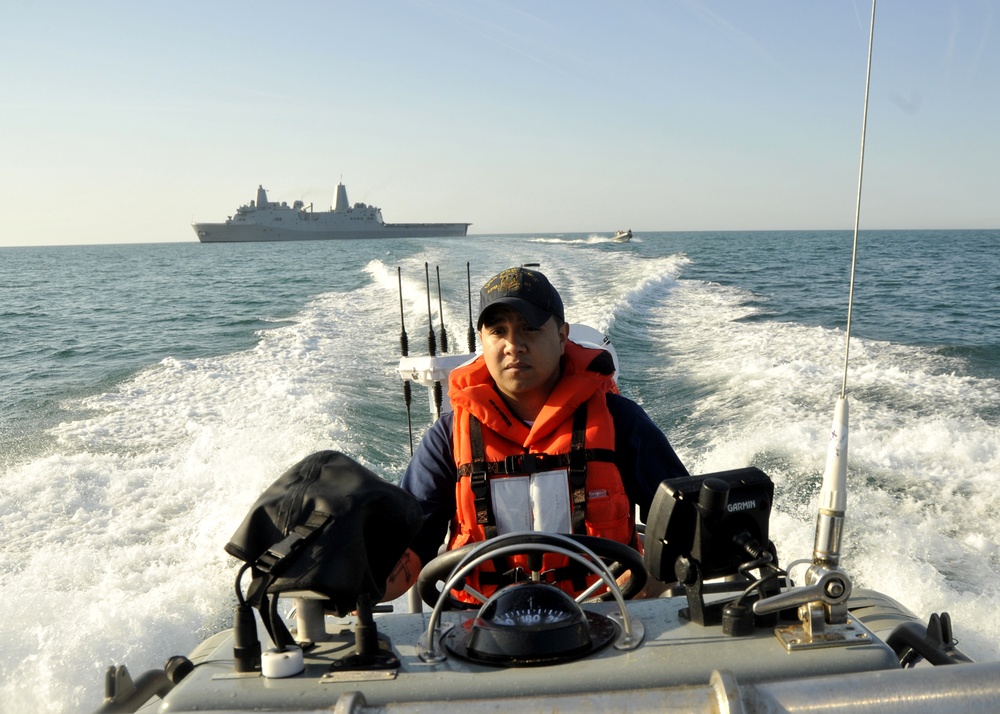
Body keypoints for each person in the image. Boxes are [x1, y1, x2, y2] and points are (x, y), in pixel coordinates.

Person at [383, 266, 688, 602]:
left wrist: (653, 578)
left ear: (561, 337)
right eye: (498, 331)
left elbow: (687, 529)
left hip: (608, 624)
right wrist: (360, 583)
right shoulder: (447, 438)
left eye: (529, 329)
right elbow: (406, 554)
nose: (514, 345)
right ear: (482, 342)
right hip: (478, 632)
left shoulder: (620, 421)